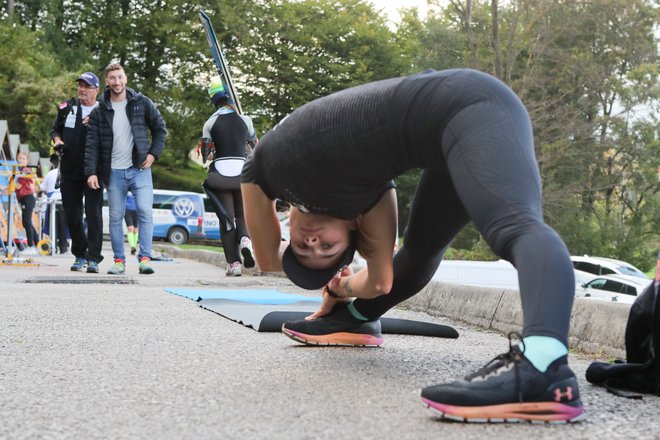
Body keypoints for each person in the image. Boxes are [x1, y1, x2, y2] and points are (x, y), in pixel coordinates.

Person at [241, 69, 584, 423]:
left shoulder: (264, 168)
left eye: (303, 247)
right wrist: (342, 288)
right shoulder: (368, 198)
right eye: (326, 249)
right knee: (420, 250)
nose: (312, 243)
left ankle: (545, 368)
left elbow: (268, 258)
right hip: (450, 134)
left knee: (513, 226)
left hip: (474, 104)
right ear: (353, 225)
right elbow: (381, 280)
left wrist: (333, 280)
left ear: (290, 223)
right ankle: (357, 319)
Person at [85, 62, 167, 275]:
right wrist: (91, 172)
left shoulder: (142, 103)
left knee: (145, 212)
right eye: (112, 78)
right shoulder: (99, 110)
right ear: (107, 81)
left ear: (126, 78)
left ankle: (145, 258)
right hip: (113, 172)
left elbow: (160, 129)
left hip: (140, 169)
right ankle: (119, 260)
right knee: (115, 217)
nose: (117, 82)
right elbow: (92, 144)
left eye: (120, 77)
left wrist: (152, 154)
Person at [200, 80, 257, 276]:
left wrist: (214, 153)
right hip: (242, 173)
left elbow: (205, 157)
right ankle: (245, 240)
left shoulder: (209, 123)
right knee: (242, 215)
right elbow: (254, 146)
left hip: (221, 175)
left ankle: (234, 265)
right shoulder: (246, 120)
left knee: (227, 220)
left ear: (212, 100)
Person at [50, 71, 103, 272]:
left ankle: (94, 259)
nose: (81, 89)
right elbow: (55, 130)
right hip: (69, 170)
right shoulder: (67, 107)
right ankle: (80, 255)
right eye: (79, 85)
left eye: (86, 86)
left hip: (94, 172)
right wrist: (58, 141)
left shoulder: (103, 111)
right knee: (72, 216)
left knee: (93, 215)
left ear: (96, 90)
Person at [40, 156, 69, 254]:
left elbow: (43, 188)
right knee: (63, 225)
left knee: (52, 224)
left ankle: (53, 246)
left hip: (52, 200)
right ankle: (63, 246)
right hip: (63, 200)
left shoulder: (50, 173)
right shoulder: (66, 172)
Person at [14, 151, 39, 255]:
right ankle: (38, 243)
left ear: (27, 161)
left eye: (23, 159)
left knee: (27, 221)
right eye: (19, 158)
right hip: (25, 198)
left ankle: (31, 246)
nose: (20, 160)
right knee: (27, 221)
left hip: (28, 198)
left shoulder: (26, 170)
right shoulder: (20, 170)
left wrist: (5, 187)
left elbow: (18, 186)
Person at [124, 191, 138, 256]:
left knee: (136, 230)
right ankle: (132, 246)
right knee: (130, 228)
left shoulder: (138, 190)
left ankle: (134, 247)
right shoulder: (127, 191)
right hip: (128, 210)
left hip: (137, 211)